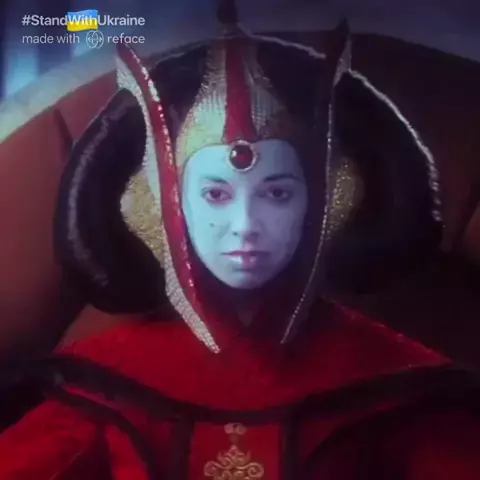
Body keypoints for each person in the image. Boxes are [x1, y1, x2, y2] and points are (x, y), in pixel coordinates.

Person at [0, 3, 479, 479]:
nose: (246, 224)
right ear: (164, 206)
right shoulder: (104, 385)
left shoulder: (392, 381)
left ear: (325, 200)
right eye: (215, 194)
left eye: (277, 193)